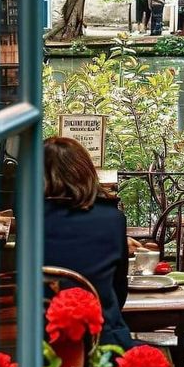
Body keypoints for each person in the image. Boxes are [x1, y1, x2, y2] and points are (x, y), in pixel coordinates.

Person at [43, 136, 136, 349]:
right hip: (101, 345)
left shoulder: (29, 221)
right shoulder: (112, 219)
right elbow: (119, 292)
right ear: (85, 171)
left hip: (39, 348)